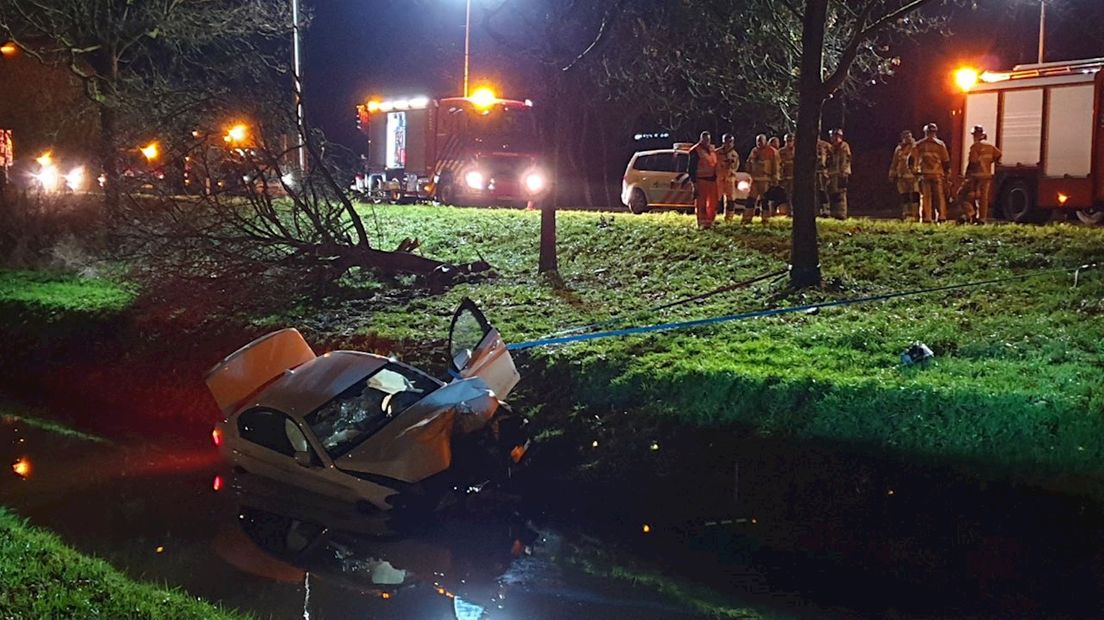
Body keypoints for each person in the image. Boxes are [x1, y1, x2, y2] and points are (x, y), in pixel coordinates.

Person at [959, 126, 1002, 223]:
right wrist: (992, 162)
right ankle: (982, 218)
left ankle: (970, 213)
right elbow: (998, 154)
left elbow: (973, 162)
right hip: (986, 176)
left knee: (964, 195)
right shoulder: (990, 146)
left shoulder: (975, 147)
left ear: (975, 135)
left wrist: (967, 175)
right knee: (983, 198)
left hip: (976, 176)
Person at [913, 122, 951, 223]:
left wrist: (914, 171)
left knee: (925, 196)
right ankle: (941, 216)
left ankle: (927, 217)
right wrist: (947, 174)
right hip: (937, 173)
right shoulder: (940, 144)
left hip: (924, 174)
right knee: (939, 196)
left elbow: (912, 159)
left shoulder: (919, 144)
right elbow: (946, 160)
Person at [686, 131, 719, 229]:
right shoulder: (695, 151)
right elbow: (691, 168)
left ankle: (710, 222)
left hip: (712, 180)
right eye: (705, 139)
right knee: (701, 203)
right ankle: (702, 223)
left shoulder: (711, 150)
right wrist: (694, 183)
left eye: (708, 140)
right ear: (701, 139)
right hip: (701, 180)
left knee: (712, 203)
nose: (707, 141)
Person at [744, 134, 779, 223]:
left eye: (761, 140)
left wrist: (774, 177)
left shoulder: (771, 151)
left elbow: (775, 165)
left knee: (765, 200)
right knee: (751, 199)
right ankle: (747, 219)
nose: (759, 143)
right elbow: (749, 162)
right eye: (757, 141)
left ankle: (765, 219)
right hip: (755, 180)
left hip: (765, 179)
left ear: (765, 141)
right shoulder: (754, 151)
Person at [888, 130, 920, 221]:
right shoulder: (899, 149)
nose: (908, 139)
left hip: (914, 176)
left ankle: (916, 214)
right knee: (904, 195)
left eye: (909, 136)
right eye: (905, 137)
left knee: (915, 194)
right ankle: (906, 213)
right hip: (902, 176)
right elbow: (894, 162)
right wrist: (892, 173)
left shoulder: (916, 147)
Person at [826, 128, 851, 219]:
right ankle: (835, 213)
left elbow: (845, 160)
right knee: (833, 193)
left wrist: (842, 171)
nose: (833, 138)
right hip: (833, 174)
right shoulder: (832, 148)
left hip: (841, 173)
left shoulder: (844, 146)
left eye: (834, 136)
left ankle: (841, 214)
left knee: (841, 193)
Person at [716, 133, 742, 221]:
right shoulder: (717, 153)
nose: (728, 144)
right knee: (716, 199)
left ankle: (729, 218)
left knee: (730, 200)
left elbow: (736, 166)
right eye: (726, 141)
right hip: (719, 179)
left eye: (730, 142)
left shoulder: (734, 154)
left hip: (729, 179)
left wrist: (731, 170)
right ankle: (713, 217)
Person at [777, 133, 796, 215]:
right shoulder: (781, 152)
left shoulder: (797, 151)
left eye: (791, 141)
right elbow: (778, 165)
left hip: (795, 177)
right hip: (785, 177)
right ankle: (788, 211)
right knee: (787, 195)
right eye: (787, 141)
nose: (789, 143)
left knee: (794, 195)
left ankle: (794, 211)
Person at [816, 135, 833, 216]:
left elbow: (833, 155)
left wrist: (828, 167)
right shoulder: (807, 144)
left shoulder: (825, 145)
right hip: (812, 172)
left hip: (822, 172)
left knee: (823, 190)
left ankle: (826, 209)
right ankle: (817, 209)